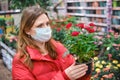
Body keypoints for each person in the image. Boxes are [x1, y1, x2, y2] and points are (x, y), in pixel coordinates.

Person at [12, 6, 90, 80]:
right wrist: (65, 77)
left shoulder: (59, 47)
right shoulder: (21, 60)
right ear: (27, 30)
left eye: (47, 24)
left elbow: (75, 72)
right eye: (40, 26)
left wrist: (84, 72)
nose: (46, 28)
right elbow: (68, 76)